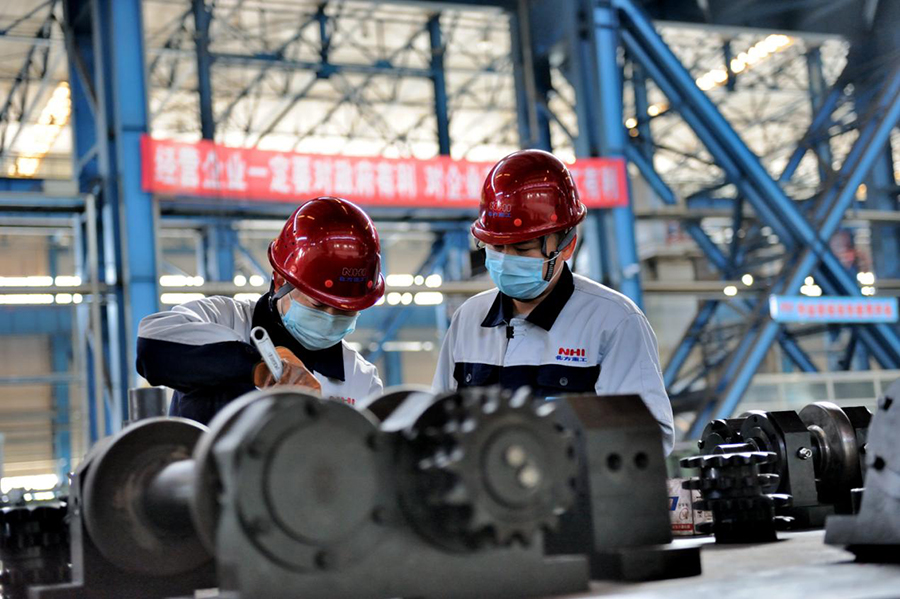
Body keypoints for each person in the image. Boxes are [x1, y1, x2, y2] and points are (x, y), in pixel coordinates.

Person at [432, 150, 675, 453]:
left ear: (567, 245)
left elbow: (649, 437)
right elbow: (437, 425)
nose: (506, 260)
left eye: (523, 248)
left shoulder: (613, 321)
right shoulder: (468, 319)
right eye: (496, 247)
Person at [136, 196, 385, 425]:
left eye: (345, 311)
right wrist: (259, 365)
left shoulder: (361, 379)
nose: (330, 318)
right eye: (318, 304)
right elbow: (152, 348)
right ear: (280, 281)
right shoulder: (222, 318)